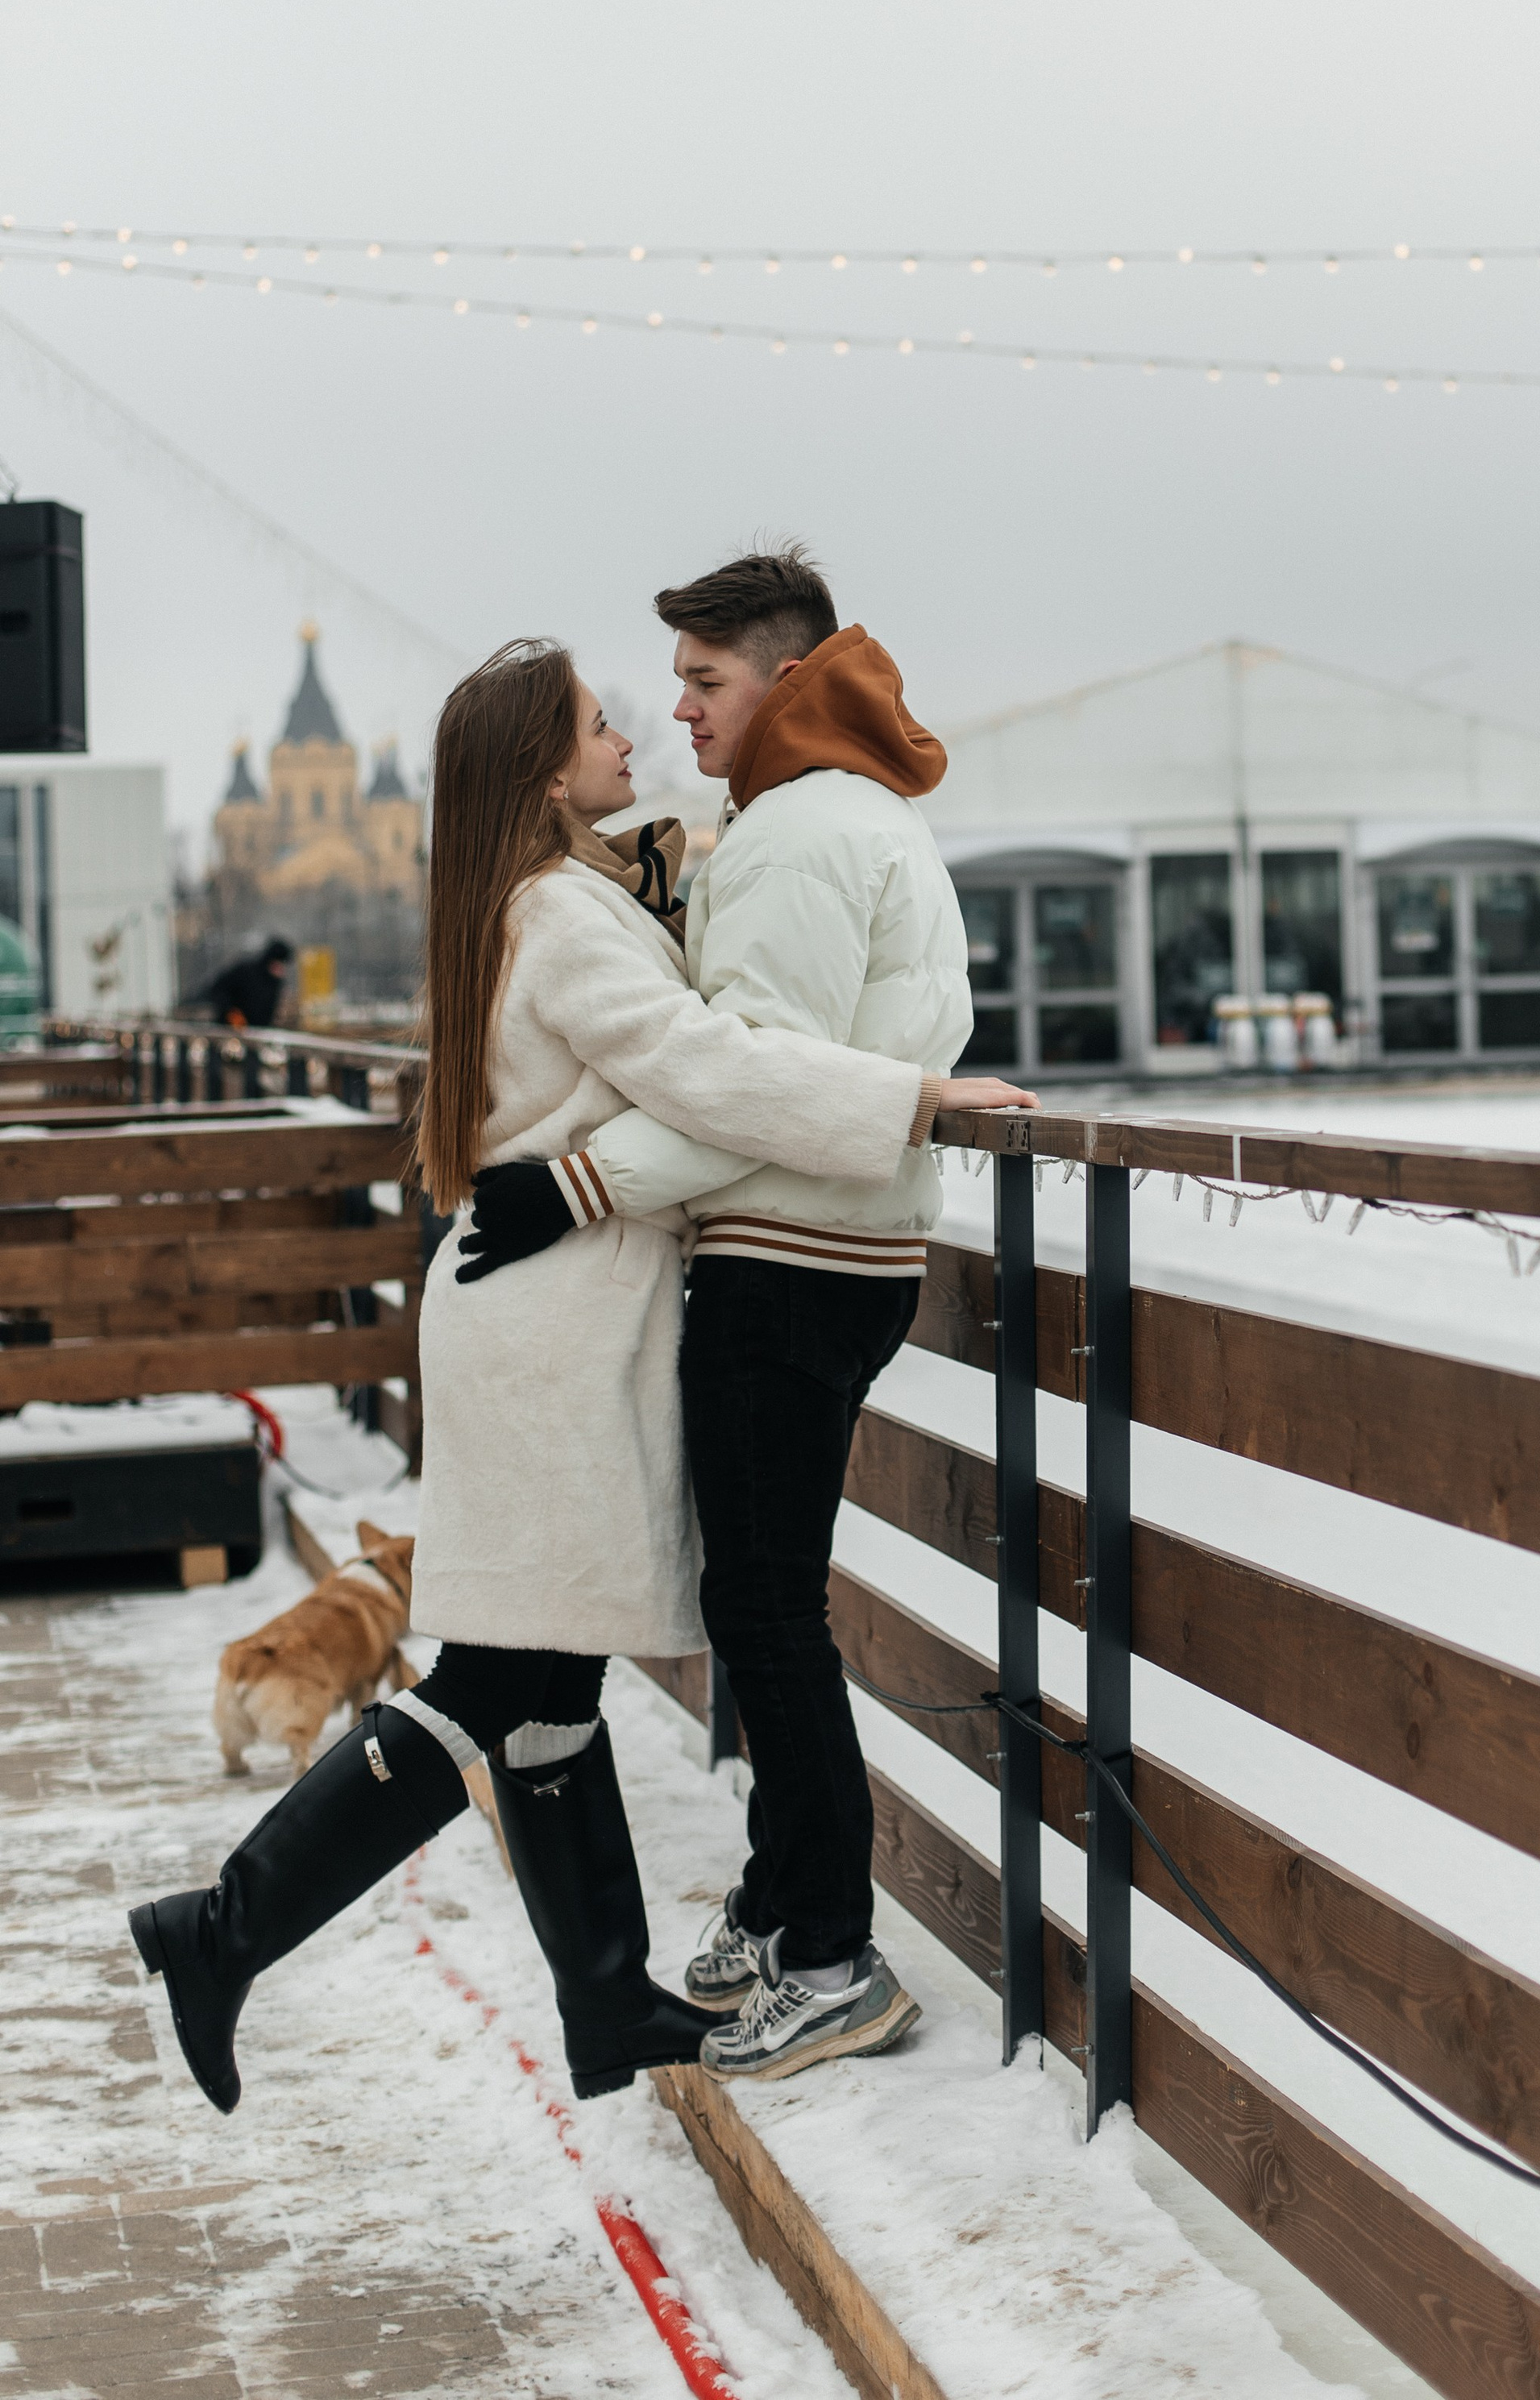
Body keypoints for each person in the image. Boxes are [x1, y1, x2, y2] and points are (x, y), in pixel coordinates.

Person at [129, 637, 1031, 2118]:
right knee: (498, 1679)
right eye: (603, 727)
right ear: (546, 772)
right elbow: (707, 1064)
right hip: (553, 1330)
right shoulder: (557, 914)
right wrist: (914, 1098)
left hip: (536, 1314)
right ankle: (221, 1930)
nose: (631, 740)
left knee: (549, 1684)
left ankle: (607, 2002)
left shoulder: (532, 898)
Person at [460, 548, 1028, 2084]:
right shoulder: (838, 815)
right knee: (762, 1605)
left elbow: (747, 1086)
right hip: (838, 1250)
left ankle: (833, 1956)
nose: (680, 712)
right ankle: (784, 1909)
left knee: (767, 1614)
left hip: (790, 1257)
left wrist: (578, 1183)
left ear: (785, 678)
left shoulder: (794, 838)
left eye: (705, 681)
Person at [205, 936, 293, 1030]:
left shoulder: (275, 982)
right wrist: (231, 1012)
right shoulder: (245, 971)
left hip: (257, 1032)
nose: (281, 970)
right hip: (229, 1029)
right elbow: (218, 989)